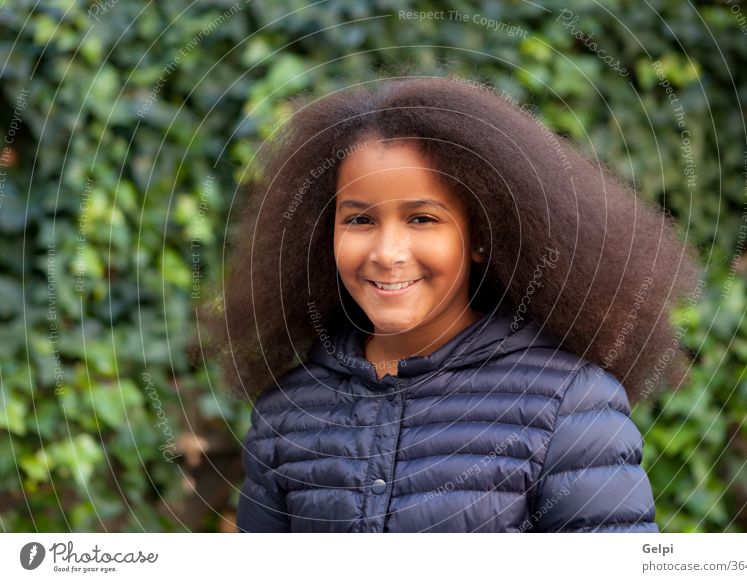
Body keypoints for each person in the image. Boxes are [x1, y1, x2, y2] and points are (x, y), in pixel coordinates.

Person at [206, 76, 702, 532]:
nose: (387, 253)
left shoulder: (569, 409)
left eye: (422, 219)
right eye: (359, 221)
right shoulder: (287, 415)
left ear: (481, 235)